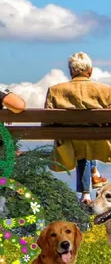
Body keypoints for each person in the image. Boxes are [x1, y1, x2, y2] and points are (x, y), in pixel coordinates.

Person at [44, 52, 109, 204]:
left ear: (71, 71)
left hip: (68, 145)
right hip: (98, 143)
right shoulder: (106, 91)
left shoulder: (55, 90)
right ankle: (92, 177)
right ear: (90, 71)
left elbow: (47, 123)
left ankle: (85, 194)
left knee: (80, 142)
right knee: (87, 142)